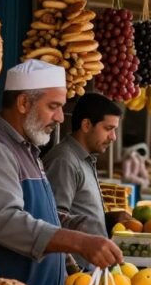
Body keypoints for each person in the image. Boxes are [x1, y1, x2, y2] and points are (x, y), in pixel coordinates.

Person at [0, 60, 123, 285]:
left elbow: (46, 216)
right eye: (53, 107)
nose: (61, 118)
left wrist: (72, 269)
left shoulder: (27, 149)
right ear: (23, 103)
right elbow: (6, 221)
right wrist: (78, 242)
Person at [44, 93, 130, 243]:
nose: (113, 137)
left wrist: (107, 220)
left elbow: (77, 213)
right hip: (77, 265)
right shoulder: (64, 161)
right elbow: (54, 221)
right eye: (108, 128)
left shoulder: (85, 159)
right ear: (86, 125)